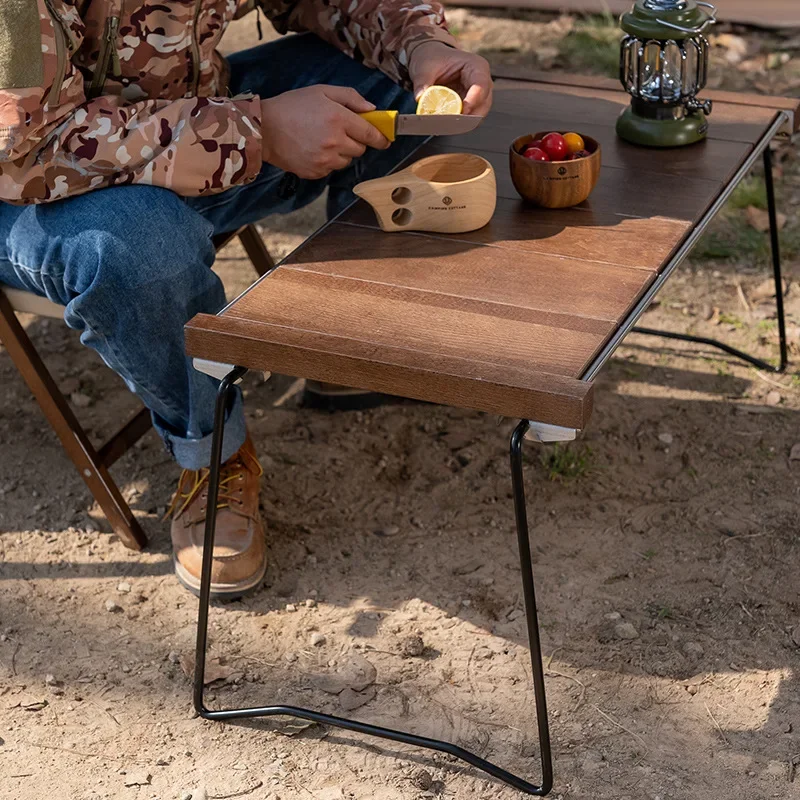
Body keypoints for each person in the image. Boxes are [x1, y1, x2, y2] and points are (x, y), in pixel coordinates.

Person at [0, 0, 493, 598]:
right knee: (140, 247)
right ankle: (212, 458)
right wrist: (257, 132)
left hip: (194, 119)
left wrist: (418, 44)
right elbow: (22, 148)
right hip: (30, 188)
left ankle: (351, 349)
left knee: (401, 89)